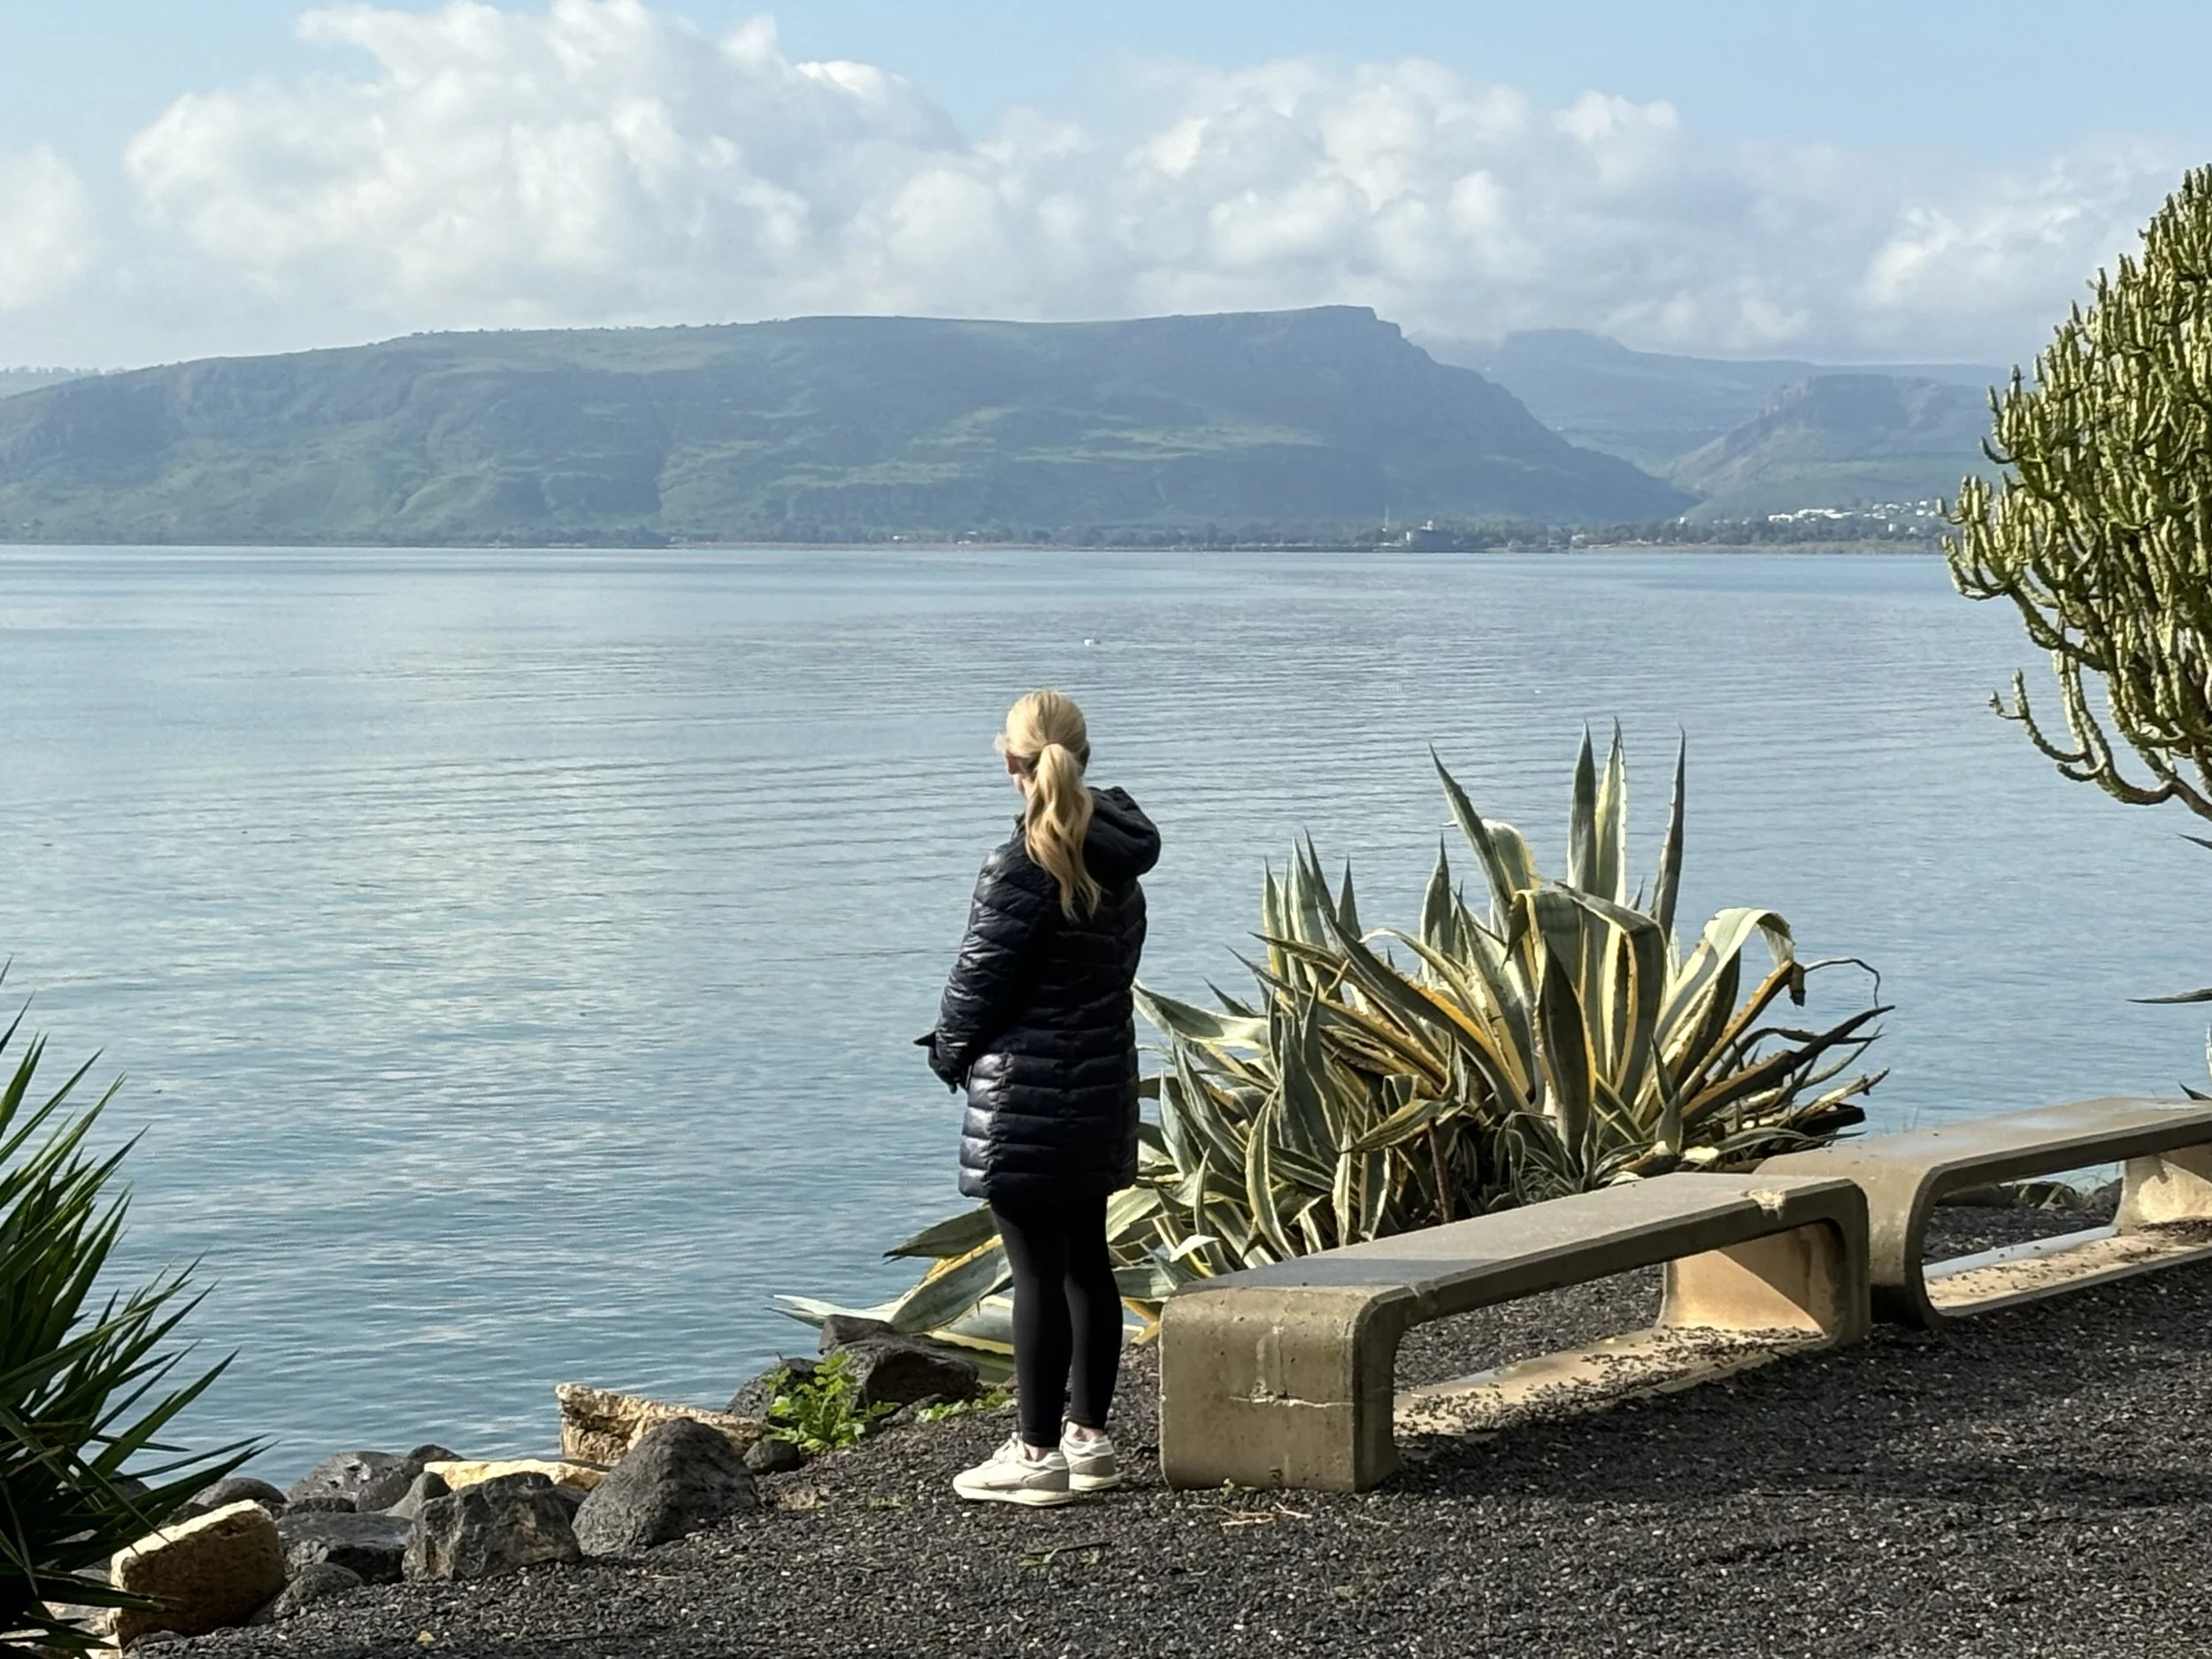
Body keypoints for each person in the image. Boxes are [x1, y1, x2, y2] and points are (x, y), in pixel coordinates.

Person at [918, 688, 1160, 1507]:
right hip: (1099, 1087)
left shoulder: (1018, 860)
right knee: (1089, 1261)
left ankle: (1035, 1453)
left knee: (1034, 1274)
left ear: (1010, 761)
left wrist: (948, 1052)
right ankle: (1088, 1439)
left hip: (1023, 1095)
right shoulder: (1120, 862)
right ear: (1081, 755)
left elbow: (977, 982)